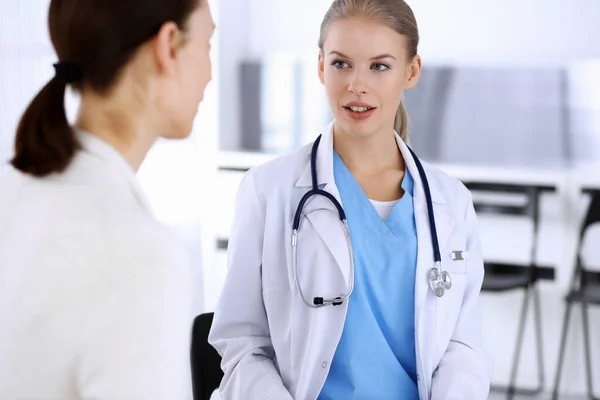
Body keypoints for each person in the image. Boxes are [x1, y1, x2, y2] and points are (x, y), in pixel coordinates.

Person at [209, 0, 492, 399]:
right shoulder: (267, 190)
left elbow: (463, 347)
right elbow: (242, 344)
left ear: (411, 72)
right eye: (342, 63)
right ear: (321, 66)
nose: (357, 85)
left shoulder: (450, 202)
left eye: (380, 66)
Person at [0, 0, 214, 398]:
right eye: (208, 45)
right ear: (168, 46)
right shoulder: (141, 254)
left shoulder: (12, 189)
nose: (210, 74)